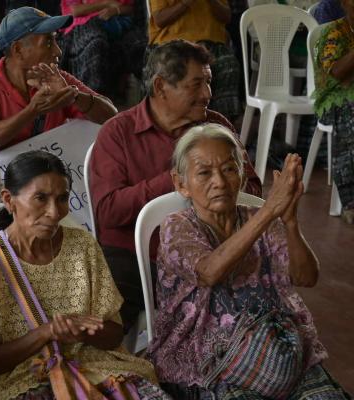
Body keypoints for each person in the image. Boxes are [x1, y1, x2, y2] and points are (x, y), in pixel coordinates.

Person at [149, 124, 350, 398]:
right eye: (204, 173)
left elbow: (307, 278)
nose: (219, 181)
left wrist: (290, 222)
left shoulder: (258, 217)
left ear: (242, 175)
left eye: (229, 169)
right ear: (181, 183)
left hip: (280, 352)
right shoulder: (177, 227)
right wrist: (269, 212)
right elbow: (209, 272)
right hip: (209, 362)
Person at [0, 151, 168, 399]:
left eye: (62, 199)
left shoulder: (82, 245)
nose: (53, 211)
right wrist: (45, 333)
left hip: (95, 368)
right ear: (9, 200)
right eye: (40, 198)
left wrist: (82, 331)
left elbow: (114, 334)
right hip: (23, 382)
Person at [89, 39, 262, 332]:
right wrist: (175, 180)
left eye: (208, 82)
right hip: (137, 257)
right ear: (160, 87)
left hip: (209, 254)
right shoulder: (118, 133)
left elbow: (253, 192)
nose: (208, 94)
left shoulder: (215, 127)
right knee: (102, 324)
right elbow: (108, 212)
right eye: (195, 85)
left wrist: (214, 182)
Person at [0, 7, 116, 151]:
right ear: (18, 50)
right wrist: (32, 111)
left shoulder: (55, 78)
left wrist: (74, 96)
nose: (58, 51)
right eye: (48, 42)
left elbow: (111, 116)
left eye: (55, 40)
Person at [148, 0, 242, 121]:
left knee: (228, 65)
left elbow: (226, 17)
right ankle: (180, 125)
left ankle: (221, 123)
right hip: (172, 43)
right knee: (184, 69)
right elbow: (160, 19)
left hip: (211, 42)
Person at [313, 1, 354, 224]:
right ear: (346, 4)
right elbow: (338, 73)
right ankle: (350, 200)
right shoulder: (334, 32)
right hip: (333, 102)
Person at [58, 0, 148, 102]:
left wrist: (116, 10)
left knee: (139, 46)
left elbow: (131, 8)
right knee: (96, 44)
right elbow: (75, 11)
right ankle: (93, 102)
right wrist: (106, 3)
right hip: (82, 24)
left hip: (116, 23)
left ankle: (152, 101)